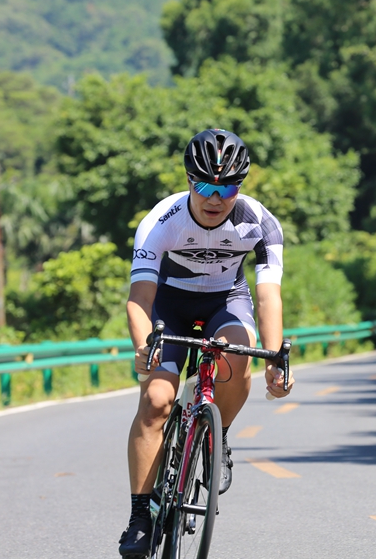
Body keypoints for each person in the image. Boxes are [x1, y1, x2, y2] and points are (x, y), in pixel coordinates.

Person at [118, 129, 294, 557]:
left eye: (227, 187)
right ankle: (140, 514)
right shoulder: (162, 220)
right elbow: (139, 298)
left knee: (237, 357)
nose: (215, 198)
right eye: (205, 186)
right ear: (188, 180)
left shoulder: (260, 222)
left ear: (240, 186)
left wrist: (275, 359)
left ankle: (219, 436)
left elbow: (268, 294)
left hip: (225, 301)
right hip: (168, 304)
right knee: (158, 400)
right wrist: (146, 347)